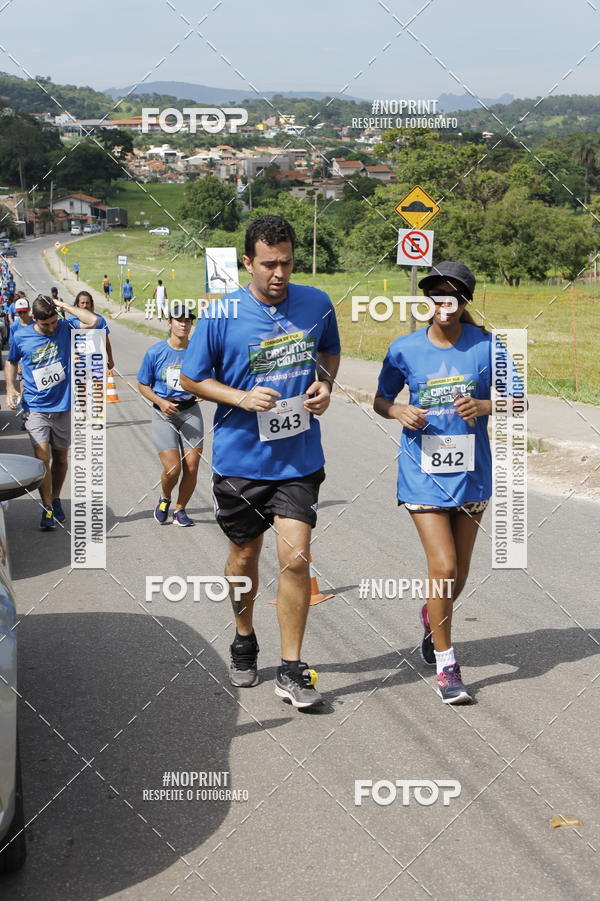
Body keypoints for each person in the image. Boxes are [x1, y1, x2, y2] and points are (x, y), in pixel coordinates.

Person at [180, 215, 341, 709]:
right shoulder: (220, 315)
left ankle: (292, 669)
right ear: (247, 262)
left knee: (295, 557)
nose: (279, 273)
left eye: (287, 263)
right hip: (241, 463)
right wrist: (240, 398)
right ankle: (244, 636)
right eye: (269, 264)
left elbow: (330, 350)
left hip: (298, 459)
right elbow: (191, 379)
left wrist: (325, 385)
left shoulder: (316, 302)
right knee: (245, 558)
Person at [374, 261, 501, 705]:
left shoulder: (487, 346)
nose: (443, 303)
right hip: (422, 473)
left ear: (465, 301)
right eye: (435, 294)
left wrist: (484, 406)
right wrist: (398, 412)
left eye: (452, 295)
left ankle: (433, 616)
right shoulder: (405, 348)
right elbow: (381, 400)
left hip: (471, 475)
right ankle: (447, 666)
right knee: (444, 567)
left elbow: (518, 400)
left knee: (458, 575)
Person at [5, 294, 99, 530]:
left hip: (63, 406)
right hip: (35, 407)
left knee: (60, 459)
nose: (51, 328)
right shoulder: (21, 335)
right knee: (42, 457)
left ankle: (55, 498)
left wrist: (64, 306)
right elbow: (11, 361)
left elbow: (93, 321)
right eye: (46, 324)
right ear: (35, 319)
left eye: (53, 322)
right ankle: (47, 507)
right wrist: (9, 388)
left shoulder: (65, 328)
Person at [137, 306, 202, 527]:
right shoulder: (155, 352)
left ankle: (180, 510)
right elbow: (143, 385)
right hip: (164, 412)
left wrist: (204, 391)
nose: (184, 324)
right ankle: (165, 498)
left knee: (192, 465)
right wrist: (162, 402)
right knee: (173, 468)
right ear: (169, 323)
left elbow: (208, 377)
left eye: (188, 320)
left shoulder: (197, 351)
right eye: (179, 320)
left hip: (190, 411)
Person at [68, 290, 114, 370]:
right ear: (78, 304)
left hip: (96, 363)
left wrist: (110, 359)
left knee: (96, 383)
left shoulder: (99, 320)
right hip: (78, 365)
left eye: (87, 303)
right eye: (82, 303)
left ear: (91, 304)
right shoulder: (70, 321)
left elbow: (106, 341)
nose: (85, 305)